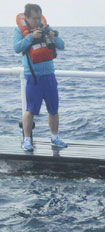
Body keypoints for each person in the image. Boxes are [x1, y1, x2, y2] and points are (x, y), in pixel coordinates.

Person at [14, 4, 67, 152]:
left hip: (49, 75)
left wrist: (52, 37)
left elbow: (62, 45)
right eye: (34, 18)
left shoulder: (46, 29)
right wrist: (30, 37)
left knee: (53, 109)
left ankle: (55, 137)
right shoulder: (19, 30)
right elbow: (17, 48)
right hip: (33, 77)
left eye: (39, 18)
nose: (38, 21)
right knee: (30, 109)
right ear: (27, 18)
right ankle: (26, 139)